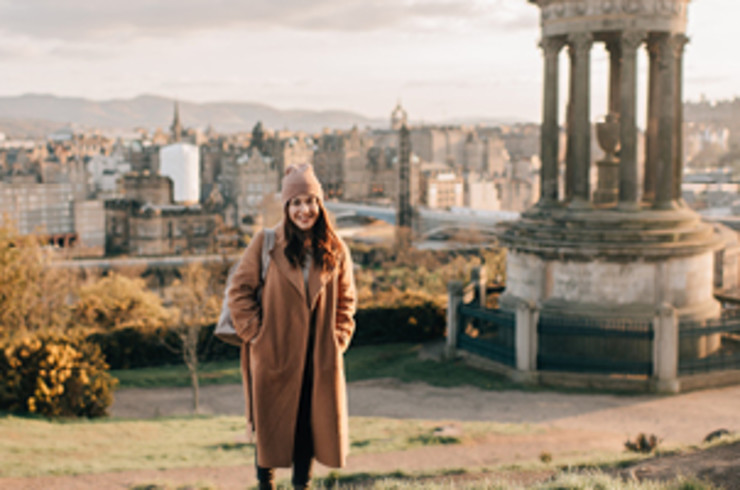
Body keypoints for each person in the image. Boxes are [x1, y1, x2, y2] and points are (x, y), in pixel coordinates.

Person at [228, 163, 357, 490]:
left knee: (307, 430)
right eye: (296, 202)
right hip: (275, 355)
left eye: (310, 201)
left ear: (321, 204)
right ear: (286, 207)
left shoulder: (336, 249)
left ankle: (303, 486)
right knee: (269, 433)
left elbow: (347, 302)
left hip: (317, 357)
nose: (304, 210)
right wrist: (257, 335)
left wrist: (336, 340)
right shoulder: (265, 242)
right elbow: (239, 291)